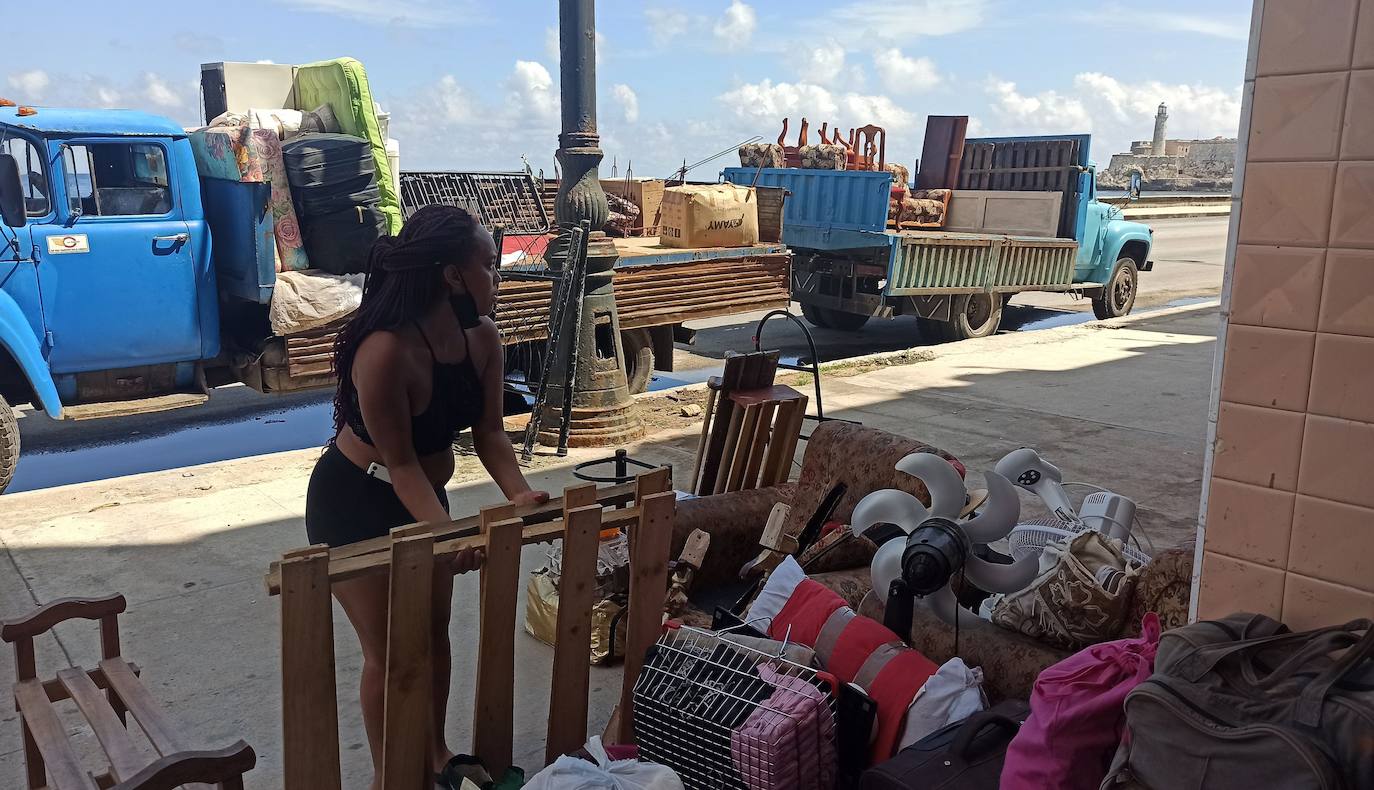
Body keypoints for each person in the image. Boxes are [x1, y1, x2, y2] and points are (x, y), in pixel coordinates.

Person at [305, 205, 549, 790]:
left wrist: (519, 494)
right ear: (452, 275)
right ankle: (390, 776)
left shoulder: (483, 339)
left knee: (434, 635)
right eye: (489, 266)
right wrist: (449, 534)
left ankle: (435, 755)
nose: (498, 278)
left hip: (422, 495)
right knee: (392, 652)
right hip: (355, 502)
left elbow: (489, 432)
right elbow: (402, 463)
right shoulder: (385, 350)